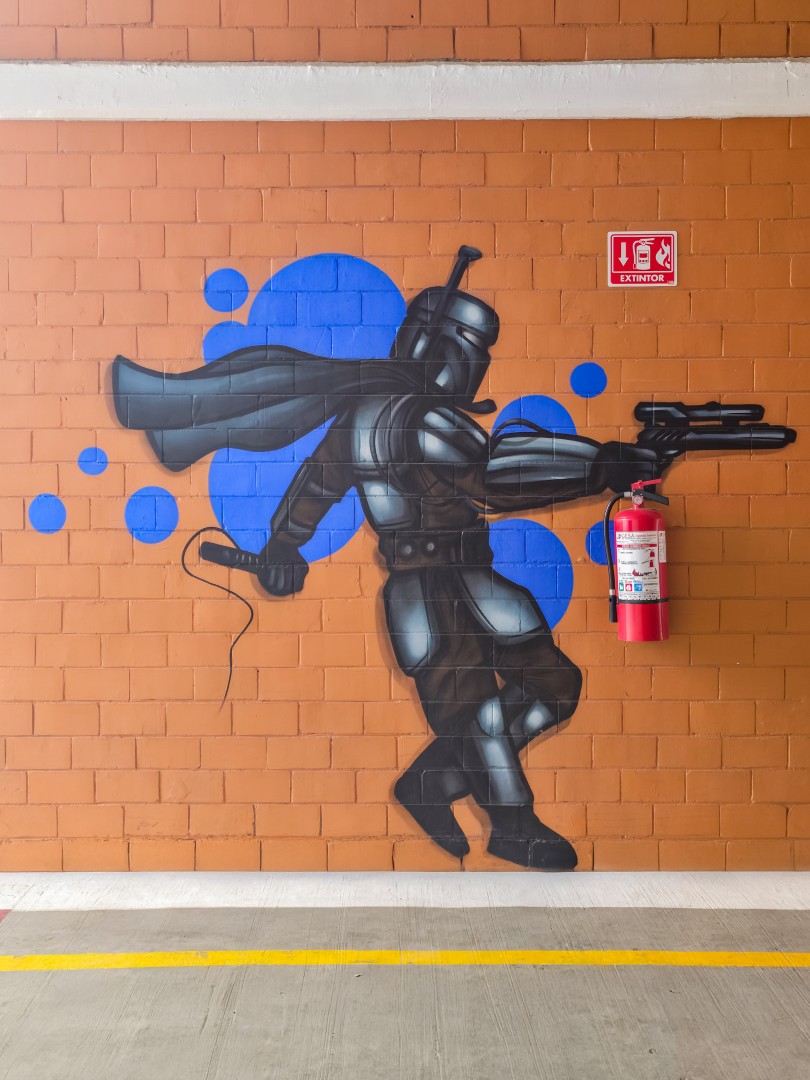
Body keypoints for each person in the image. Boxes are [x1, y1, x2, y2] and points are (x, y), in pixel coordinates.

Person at [113, 247, 660, 870]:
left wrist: (286, 544)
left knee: (553, 684)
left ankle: (430, 784)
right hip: (436, 593)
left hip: (465, 580)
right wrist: (602, 464)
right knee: (475, 711)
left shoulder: (368, 416)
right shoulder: (420, 420)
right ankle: (513, 826)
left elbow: (317, 487)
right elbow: (494, 476)